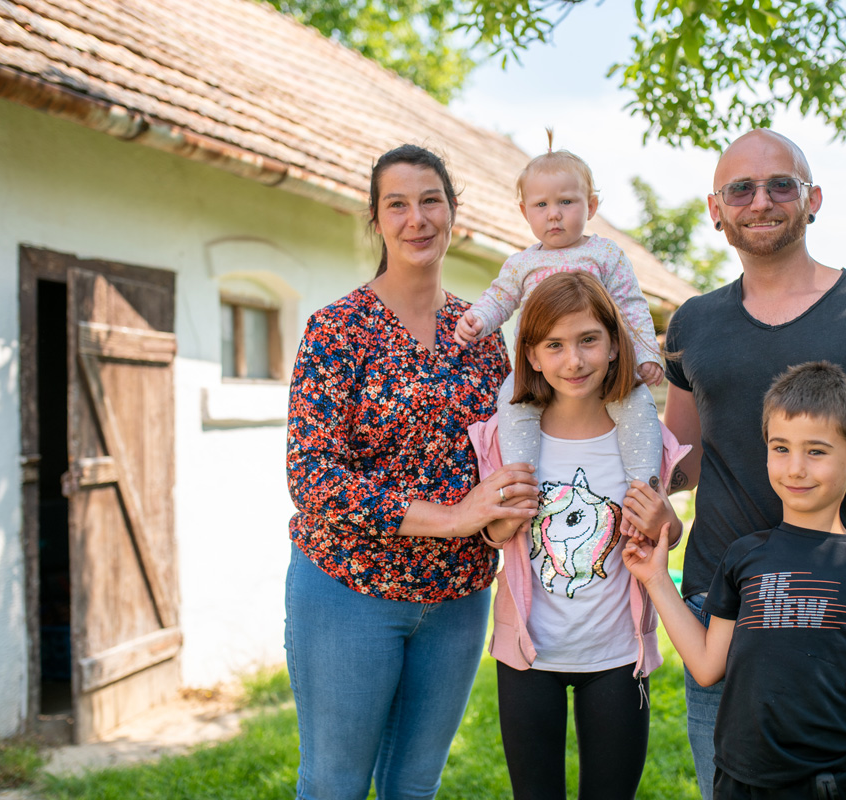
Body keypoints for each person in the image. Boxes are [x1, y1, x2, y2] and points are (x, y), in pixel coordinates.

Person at [662, 129, 846, 800]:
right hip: (725, 617)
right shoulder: (691, 324)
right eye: (739, 188)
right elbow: (678, 461)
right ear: (715, 209)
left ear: (813, 199)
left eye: (781, 185)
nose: (760, 201)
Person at [285, 144, 540, 800]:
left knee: (414, 787)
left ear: (453, 212)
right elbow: (312, 478)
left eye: (430, 200)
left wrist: (498, 515)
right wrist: (454, 516)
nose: (416, 218)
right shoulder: (335, 330)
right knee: (334, 785)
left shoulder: (481, 336)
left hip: (457, 598)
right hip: (349, 589)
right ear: (375, 221)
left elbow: (504, 455)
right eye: (396, 204)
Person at [624, 362, 846, 799]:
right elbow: (707, 665)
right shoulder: (744, 557)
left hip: (830, 786)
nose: (795, 469)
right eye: (781, 448)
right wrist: (657, 579)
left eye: (817, 451)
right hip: (737, 781)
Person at [467, 271, 692, 800]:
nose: (574, 360)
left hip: (616, 655)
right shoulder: (505, 435)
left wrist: (667, 525)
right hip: (528, 657)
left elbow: (668, 531)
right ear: (533, 354)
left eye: (589, 340)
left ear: (615, 345)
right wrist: (503, 515)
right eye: (555, 345)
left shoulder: (642, 438)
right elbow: (495, 535)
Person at [455, 130, 664, 487]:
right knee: (512, 401)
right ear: (524, 212)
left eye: (566, 202)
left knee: (637, 402)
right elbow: (500, 297)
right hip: (538, 370)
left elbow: (631, 305)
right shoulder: (522, 263)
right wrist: (479, 318)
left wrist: (646, 352)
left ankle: (643, 487)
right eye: (541, 205)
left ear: (591, 206)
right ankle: (522, 483)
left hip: (603, 367)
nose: (554, 215)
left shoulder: (605, 254)